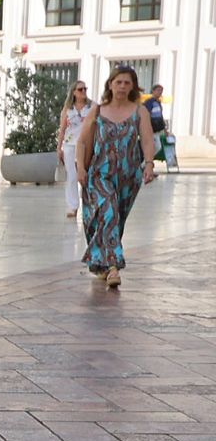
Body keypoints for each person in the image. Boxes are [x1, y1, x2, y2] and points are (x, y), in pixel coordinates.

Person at [76, 65, 157, 289]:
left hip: (129, 177)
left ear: (133, 87)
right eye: (118, 82)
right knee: (108, 211)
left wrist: (149, 164)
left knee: (115, 219)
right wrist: (80, 168)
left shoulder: (140, 112)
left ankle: (100, 263)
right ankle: (113, 267)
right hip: (99, 173)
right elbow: (82, 142)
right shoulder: (97, 111)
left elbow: (147, 140)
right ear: (110, 84)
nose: (122, 86)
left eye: (126, 83)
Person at [55, 80, 93, 219]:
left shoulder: (92, 107)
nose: (83, 92)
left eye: (85, 89)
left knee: (87, 174)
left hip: (87, 145)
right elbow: (62, 129)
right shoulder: (68, 109)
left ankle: (90, 204)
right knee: (71, 175)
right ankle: (72, 206)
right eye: (80, 89)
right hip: (70, 144)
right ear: (74, 92)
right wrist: (59, 147)